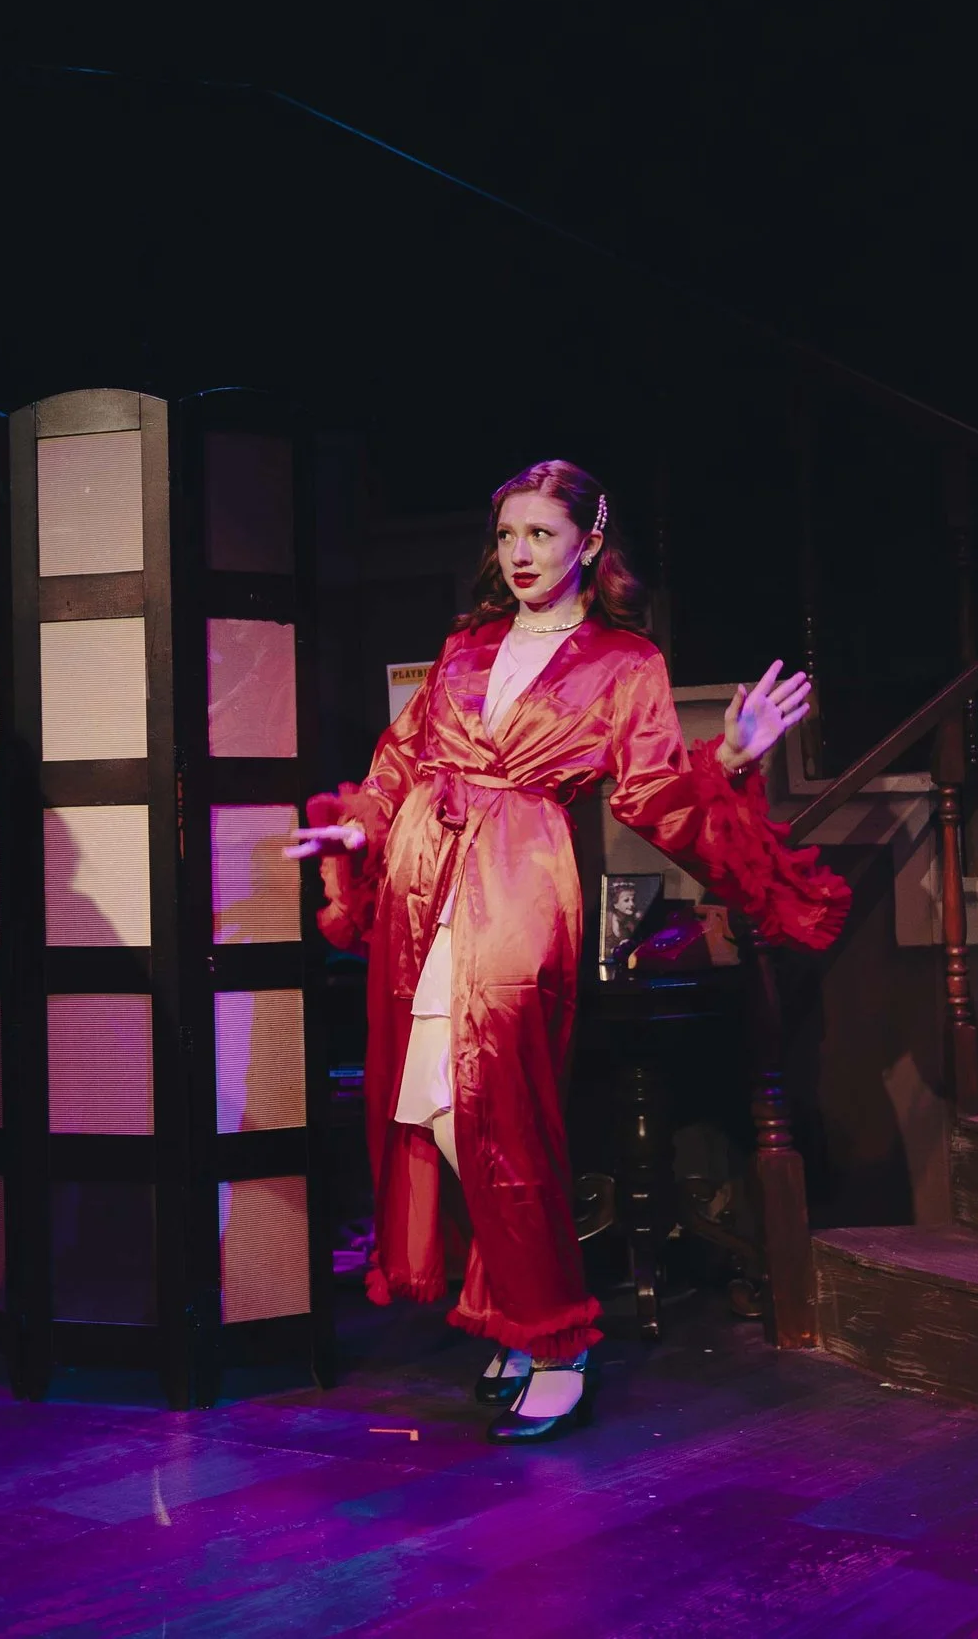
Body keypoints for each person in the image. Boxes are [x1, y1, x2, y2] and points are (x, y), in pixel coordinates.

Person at [288, 459, 847, 1442]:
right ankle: (510, 1310)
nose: (519, 554)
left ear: (588, 542)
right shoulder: (465, 646)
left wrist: (731, 753)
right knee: (432, 1110)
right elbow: (400, 759)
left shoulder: (624, 663)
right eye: (507, 535)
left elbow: (654, 794)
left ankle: (557, 1338)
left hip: (516, 884)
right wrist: (359, 825)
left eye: (540, 534)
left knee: (497, 1115)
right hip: (422, 887)